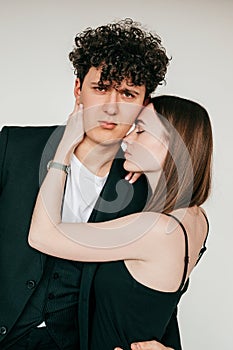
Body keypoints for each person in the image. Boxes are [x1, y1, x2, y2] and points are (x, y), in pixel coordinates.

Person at [0, 18, 176, 350]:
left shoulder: (142, 190)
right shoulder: (14, 146)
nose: (112, 106)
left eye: (127, 93)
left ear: (144, 105)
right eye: (101, 88)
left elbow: (156, 290)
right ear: (78, 89)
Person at [28, 95, 213, 350]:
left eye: (141, 130)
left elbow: (42, 235)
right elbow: (156, 306)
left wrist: (63, 150)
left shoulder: (156, 230)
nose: (127, 138)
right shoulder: (196, 217)